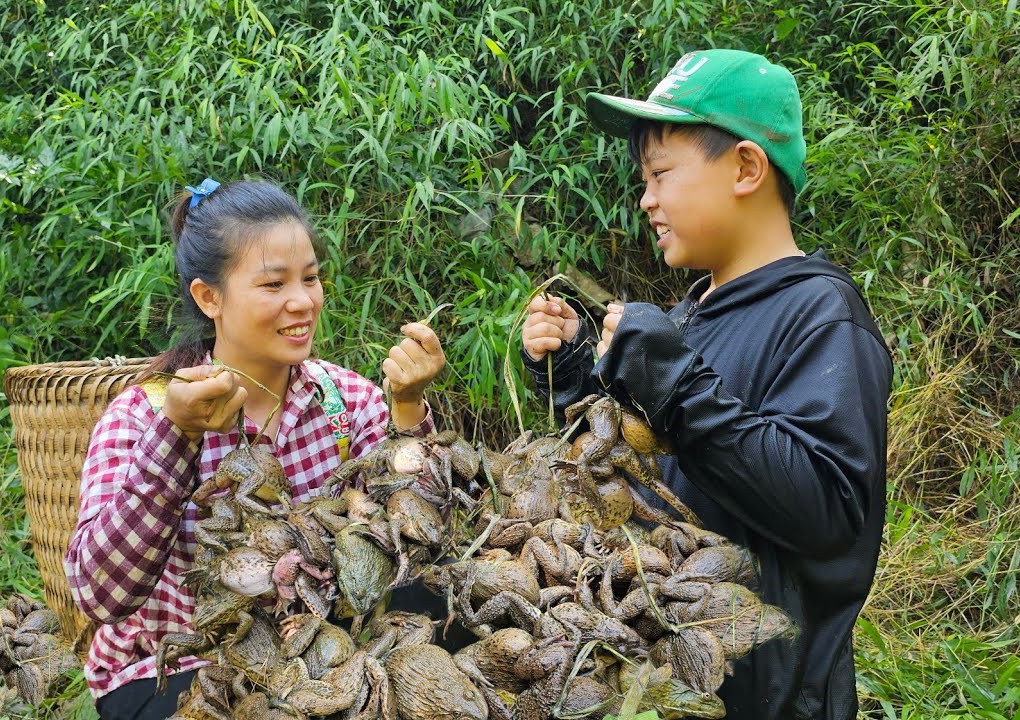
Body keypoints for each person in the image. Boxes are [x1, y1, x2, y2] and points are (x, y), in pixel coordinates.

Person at [521, 49, 892, 720]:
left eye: (661, 173)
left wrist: (675, 383)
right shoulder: (684, 317)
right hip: (665, 681)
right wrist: (572, 372)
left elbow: (830, 516)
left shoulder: (821, 317)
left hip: (765, 691)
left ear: (747, 167)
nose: (646, 199)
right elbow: (635, 468)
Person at [64, 178, 447, 719]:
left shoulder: (348, 401)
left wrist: (407, 410)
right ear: (209, 297)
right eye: (273, 284)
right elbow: (99, 597)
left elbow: (416, 547)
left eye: (310, 278)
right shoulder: (143, 415)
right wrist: (178, 437)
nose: (302, 301)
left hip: (319, 647)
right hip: (176, 667)